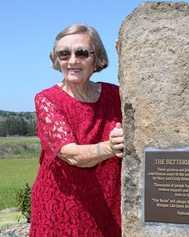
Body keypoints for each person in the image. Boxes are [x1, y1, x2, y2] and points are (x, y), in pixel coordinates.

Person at [29, 24, 124, 237]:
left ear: (97, 58)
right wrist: (111, 147)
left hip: (108, 205)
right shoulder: (47, 99)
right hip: (60, 207)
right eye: (64, 54)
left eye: (81, 53)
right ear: (56, 60)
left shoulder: (115, 95)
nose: (72, 61)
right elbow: (72, 155)